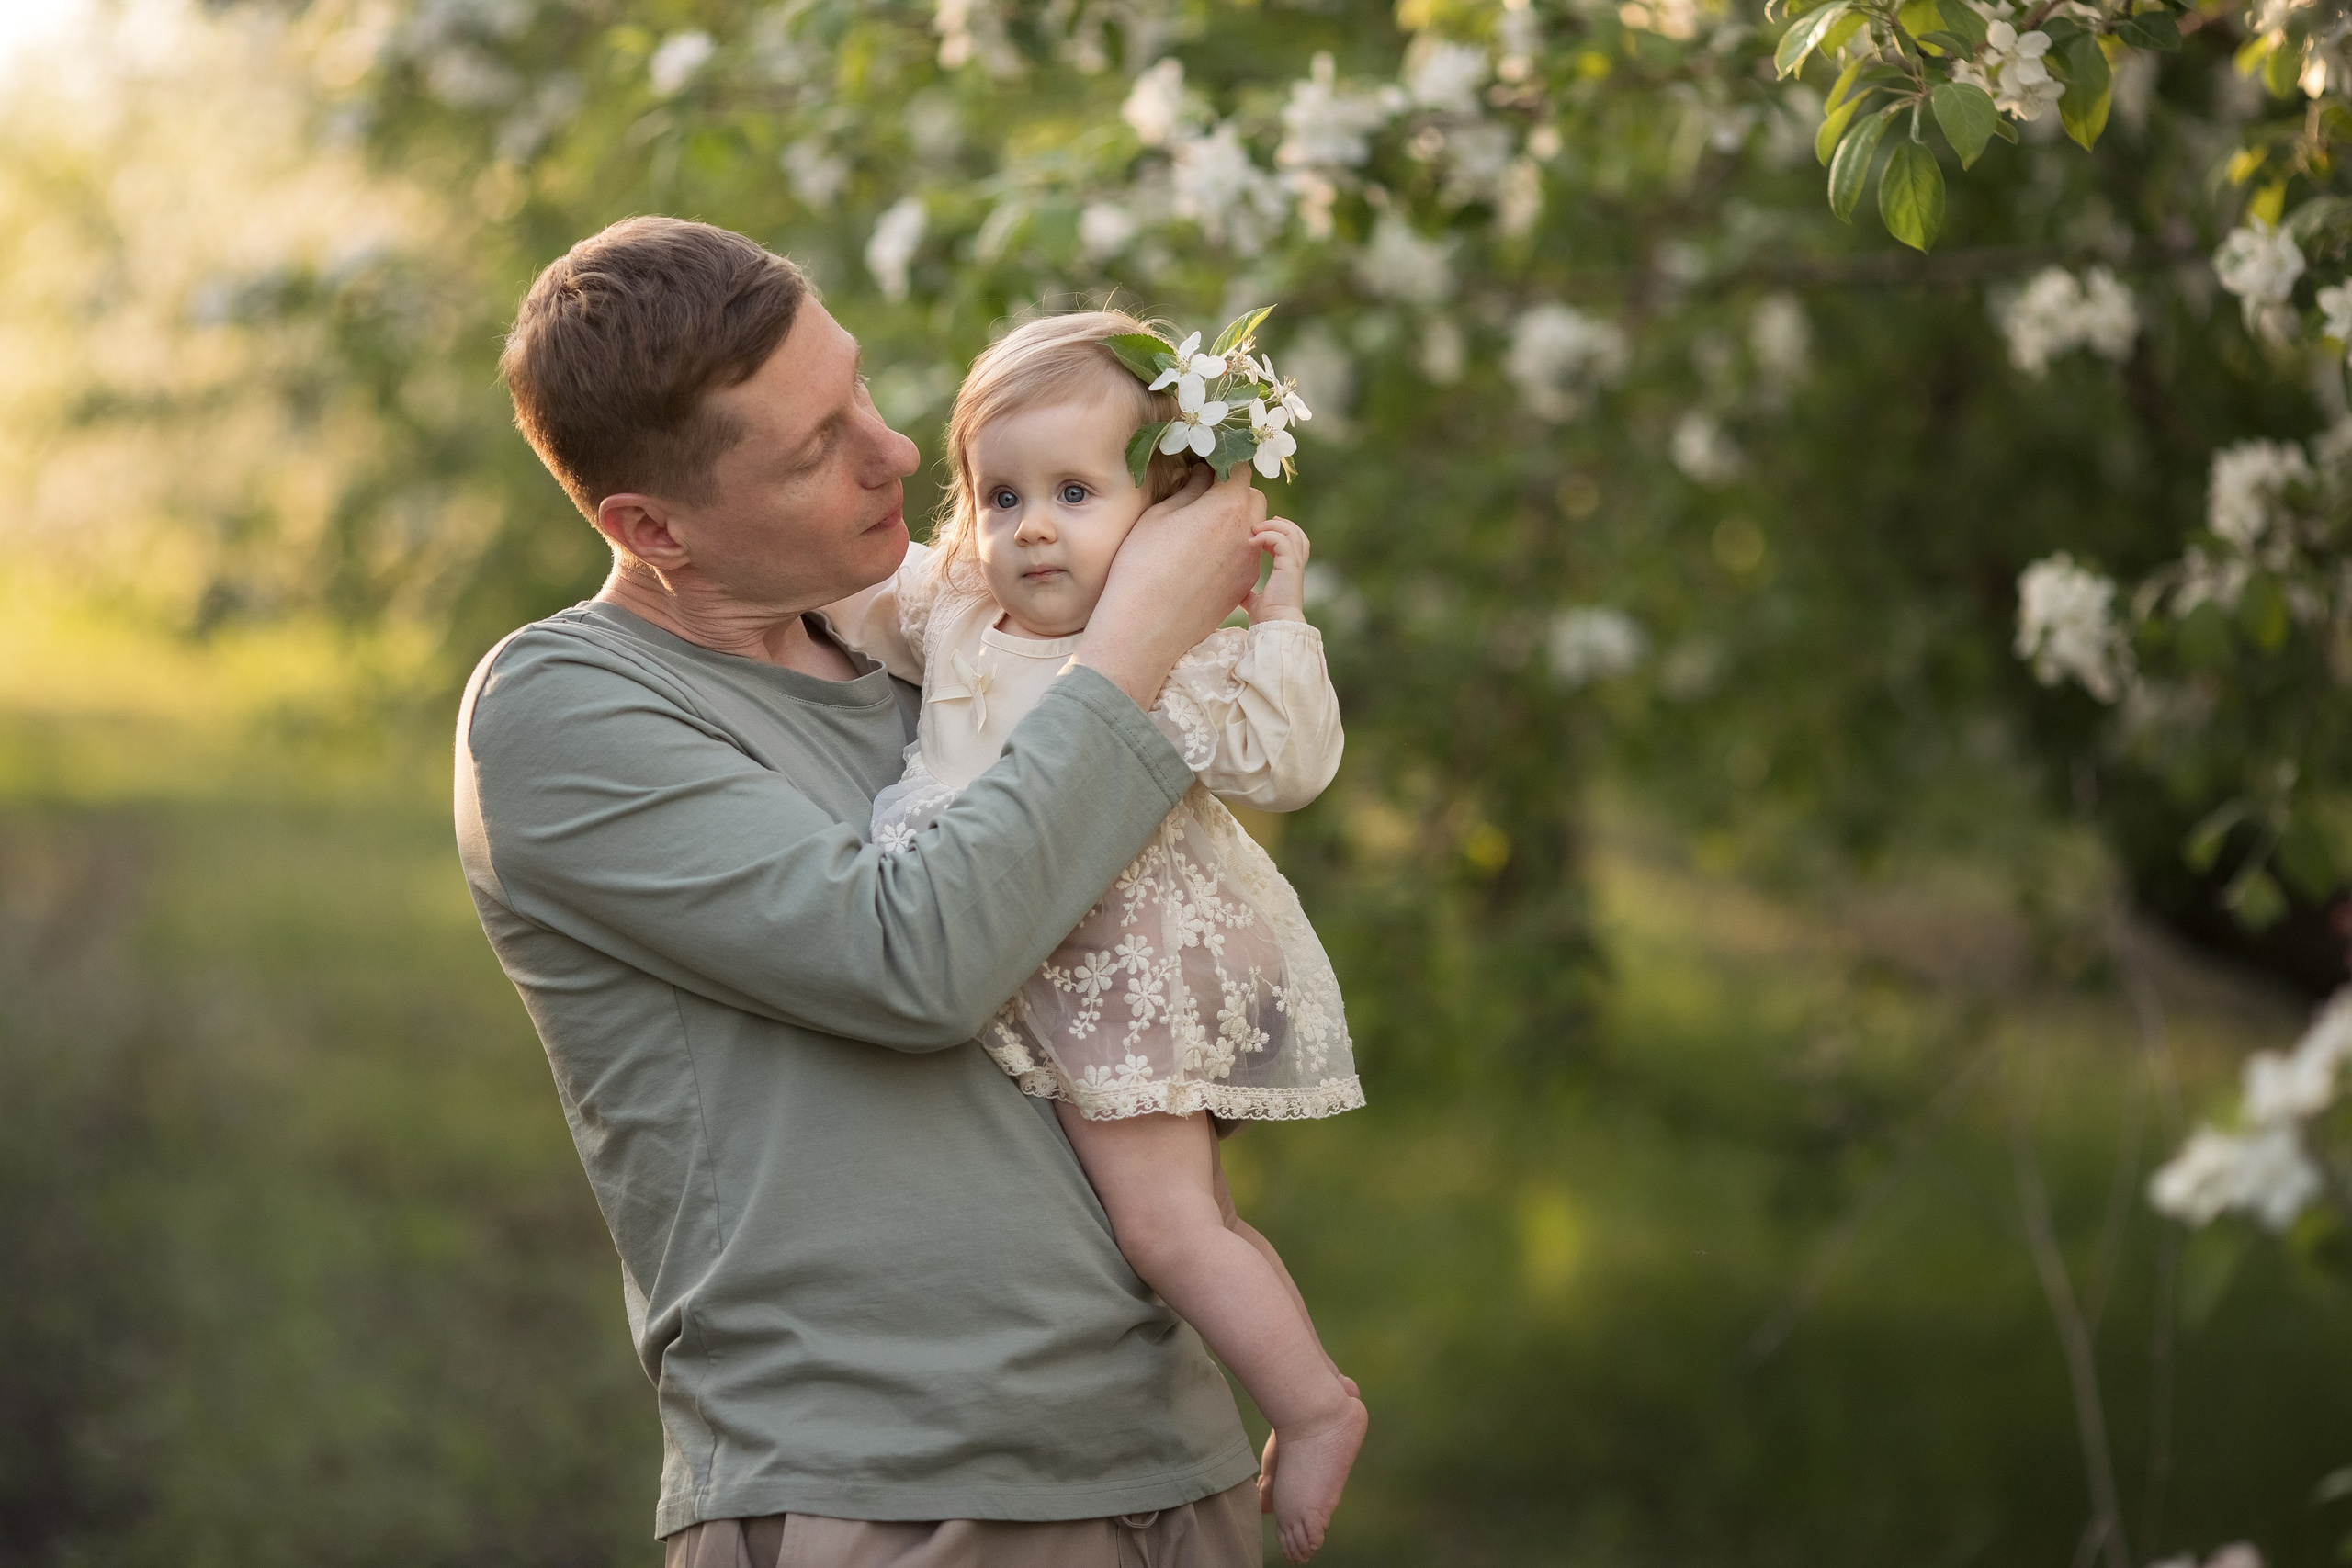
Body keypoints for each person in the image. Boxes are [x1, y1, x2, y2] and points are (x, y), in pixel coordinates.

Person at [454, 216, 1283, 1565]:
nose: (896, 452)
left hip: (1165, 1461)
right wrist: (1133, 644)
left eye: (860, 394)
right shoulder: (566, 710)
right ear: (649, 525)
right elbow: (919, 961)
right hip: (891, 1501)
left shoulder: (941, 638)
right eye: (815, 445)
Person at [828, 311, 1366, 1564]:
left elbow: (1287, 767)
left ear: (1161, 505)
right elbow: (849, 594)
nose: (1032, 527)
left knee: (1163, 1227)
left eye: (1076, 491)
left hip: (1127, 953)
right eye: (1000, 492)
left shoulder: (1159, 646)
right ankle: (1290, 1385)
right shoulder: (962, 608)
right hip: (1085, 952)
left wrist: (1276, 616)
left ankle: (1315, 1405)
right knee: (1199, 1219)